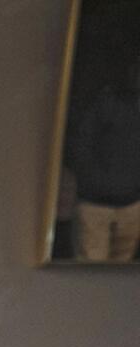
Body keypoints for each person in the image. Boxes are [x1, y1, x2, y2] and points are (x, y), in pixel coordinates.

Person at [69, 51, 140, 263]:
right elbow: (81, 144)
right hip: (95, 205)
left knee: (118, 275)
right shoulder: (105, 103)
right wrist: (96, 183)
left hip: (132, 206)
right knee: (91, 273)